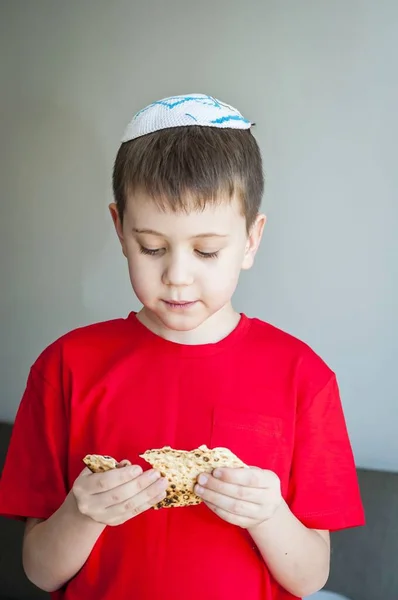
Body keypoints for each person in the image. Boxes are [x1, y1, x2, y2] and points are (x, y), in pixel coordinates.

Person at [0, 94, 365, 600]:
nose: (176, 276)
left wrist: (269, 515)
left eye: (206, 250)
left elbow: (310, 577)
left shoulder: (303, 376)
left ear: (251, 240)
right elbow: (40, 573)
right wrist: (81, 514)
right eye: (152, 247)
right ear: (120, 232)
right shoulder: (66, 367)